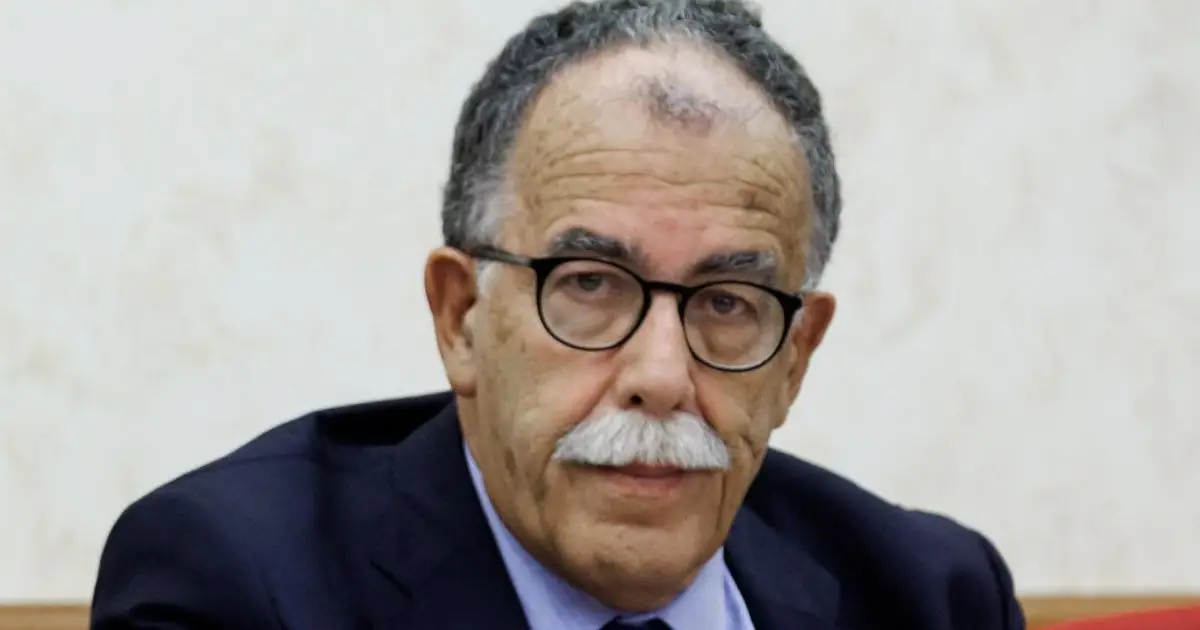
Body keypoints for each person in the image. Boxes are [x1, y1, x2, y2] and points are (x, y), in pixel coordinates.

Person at [91, 1, 1025, 628]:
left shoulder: (932, 598)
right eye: (589, 284)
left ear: (795, 361)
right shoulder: (236, 586)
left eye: (727, 302)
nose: (661, 377)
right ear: (460, 317)